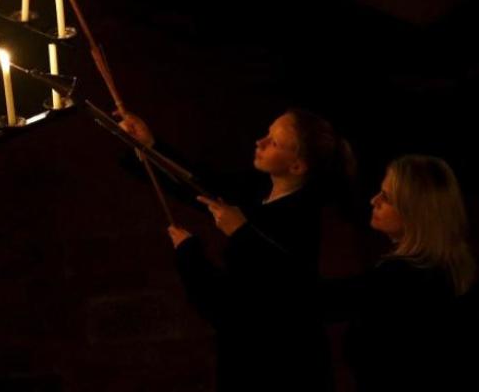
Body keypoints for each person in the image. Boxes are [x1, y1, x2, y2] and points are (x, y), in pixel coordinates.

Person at [121, 108, 355, 391]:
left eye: (274, 143)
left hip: (277, 366)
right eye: (267, 133)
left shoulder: (300, 219)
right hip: (249, 357)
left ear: (297, 166)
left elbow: (248, 299)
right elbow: (200, 186)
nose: (260, 142)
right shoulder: (258, 188)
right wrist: (150, 145)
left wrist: (189, 252)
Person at [322, 155, 477, 391]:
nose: (374, 200)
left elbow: (324, 301)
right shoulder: (445, 266)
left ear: (416, 213)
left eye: (387, 198)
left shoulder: (402, 276)